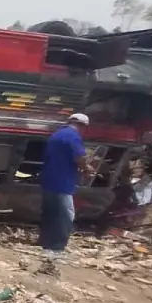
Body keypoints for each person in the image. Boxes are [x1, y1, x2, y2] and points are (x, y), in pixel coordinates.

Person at [38, 113, 94, 274]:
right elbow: (80, 158)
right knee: (65, 216)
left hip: (49, 179)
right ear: (83, 126)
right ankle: (56, 249)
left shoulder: (56, 135)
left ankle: (45, 242)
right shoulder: (73, 137)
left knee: (50, 213)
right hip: (63, 183)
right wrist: (87, 169)